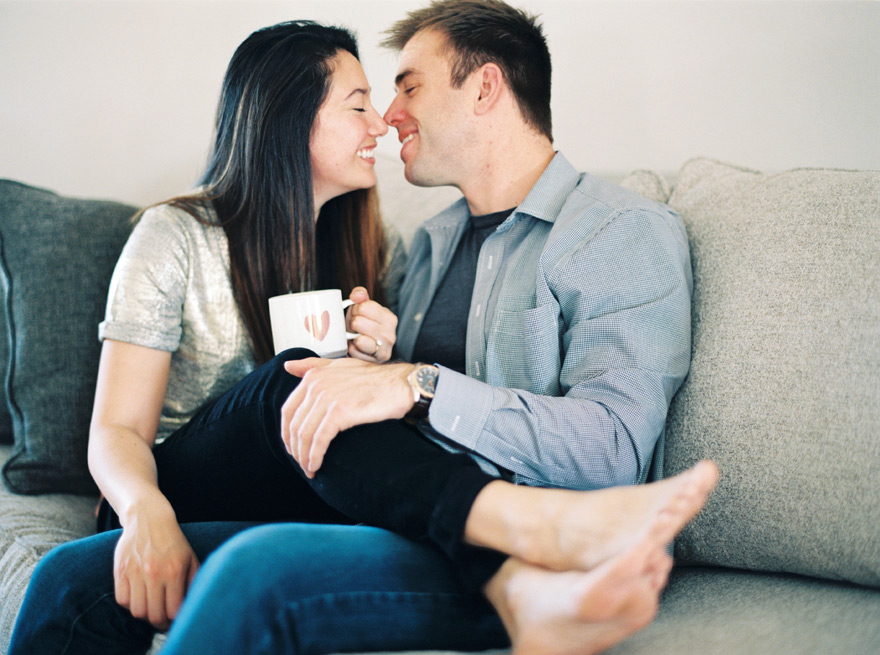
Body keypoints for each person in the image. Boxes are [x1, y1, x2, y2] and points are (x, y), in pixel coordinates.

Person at [10, 3, 719, 655]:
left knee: (93, 577)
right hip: (352, 502)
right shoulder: (428, 247)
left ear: (486, 88)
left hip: (417, 518)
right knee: (288, 389)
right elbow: (381, 430)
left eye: (407, 87)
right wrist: (379, 375)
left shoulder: (613, 232)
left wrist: (400, 378)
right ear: (292, 119)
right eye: (366, 101)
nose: (386, 115)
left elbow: (611, 445)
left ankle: (527, 548)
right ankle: (511, 550)